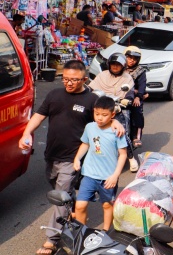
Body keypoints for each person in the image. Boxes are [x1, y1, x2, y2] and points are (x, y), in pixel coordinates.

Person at [18, 60, 124, 255]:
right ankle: (72, 205)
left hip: (72, 158)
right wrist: (26, 133)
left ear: (84, 79)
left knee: (60, 195)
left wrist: (116, 122)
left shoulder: (91, 99)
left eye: (74, 80)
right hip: (52, 154)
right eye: (65, 79)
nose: (69, 83)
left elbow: (104, 116)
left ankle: (52, 239)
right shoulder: (53, 95)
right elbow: (39, 116)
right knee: (56, 188)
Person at [73, 96, 128, 232]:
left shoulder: (117, 131)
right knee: (80, 205)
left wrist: (115, 175)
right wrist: (77, 158)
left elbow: (123, 154)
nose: (100, 118)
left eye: (104, 115)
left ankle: (105, 231)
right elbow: (85, 143)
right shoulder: (90, 127)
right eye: (97, 114)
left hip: (108, 177)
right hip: (89, 174)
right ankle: (81, 232)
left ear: (112, 115)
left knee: (107, 205)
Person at [89, 53, 138, 172]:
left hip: (118, 107)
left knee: (122, 132)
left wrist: (128, 99)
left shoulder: (127, 78)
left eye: (118, 65)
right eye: (113, 64)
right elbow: (91, 88)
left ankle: (131, 157)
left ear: (123, 66)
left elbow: (130, 92)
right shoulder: (102, 75)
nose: (115, 67)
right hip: (100, 106)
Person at [124, 46, 146, 148]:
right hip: (119, 95)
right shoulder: (119, 67)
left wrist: (138, 97)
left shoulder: (140, 71)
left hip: (135, 96)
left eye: (134, 59)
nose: (131, 61)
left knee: (137, 112)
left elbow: (142, 86)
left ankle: (135, 137)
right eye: (129, 58)